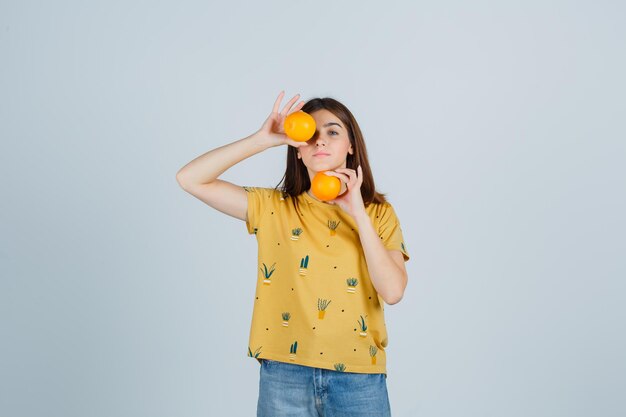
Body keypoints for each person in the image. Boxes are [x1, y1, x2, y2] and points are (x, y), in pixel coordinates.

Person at [176, 91, 410, 416]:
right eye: (310, 135)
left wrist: (358, 212)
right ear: (298, 151)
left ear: (351, 145)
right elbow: (189, 179)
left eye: (332, 131)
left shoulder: (379, 214)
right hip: (285, 374)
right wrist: (261, 139)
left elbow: (393, 291)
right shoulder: (274, 208)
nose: (320, 141)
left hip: (359, 374)